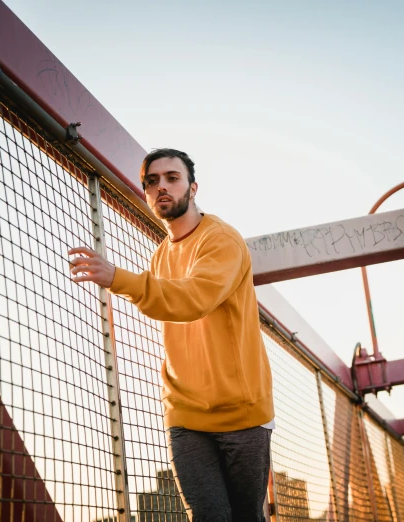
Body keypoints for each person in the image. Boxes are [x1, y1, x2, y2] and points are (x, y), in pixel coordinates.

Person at [68, 148, 274, 521]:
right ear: (146, 194)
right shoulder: (160, 256)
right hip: (184, 413)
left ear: (193, 188)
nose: (161, 186)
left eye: (171, 178)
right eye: (151, 181)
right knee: (208, 516)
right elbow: (167, 307)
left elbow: (194, 299)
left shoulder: (222, 240)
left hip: (241, 413)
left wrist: (117, 278)